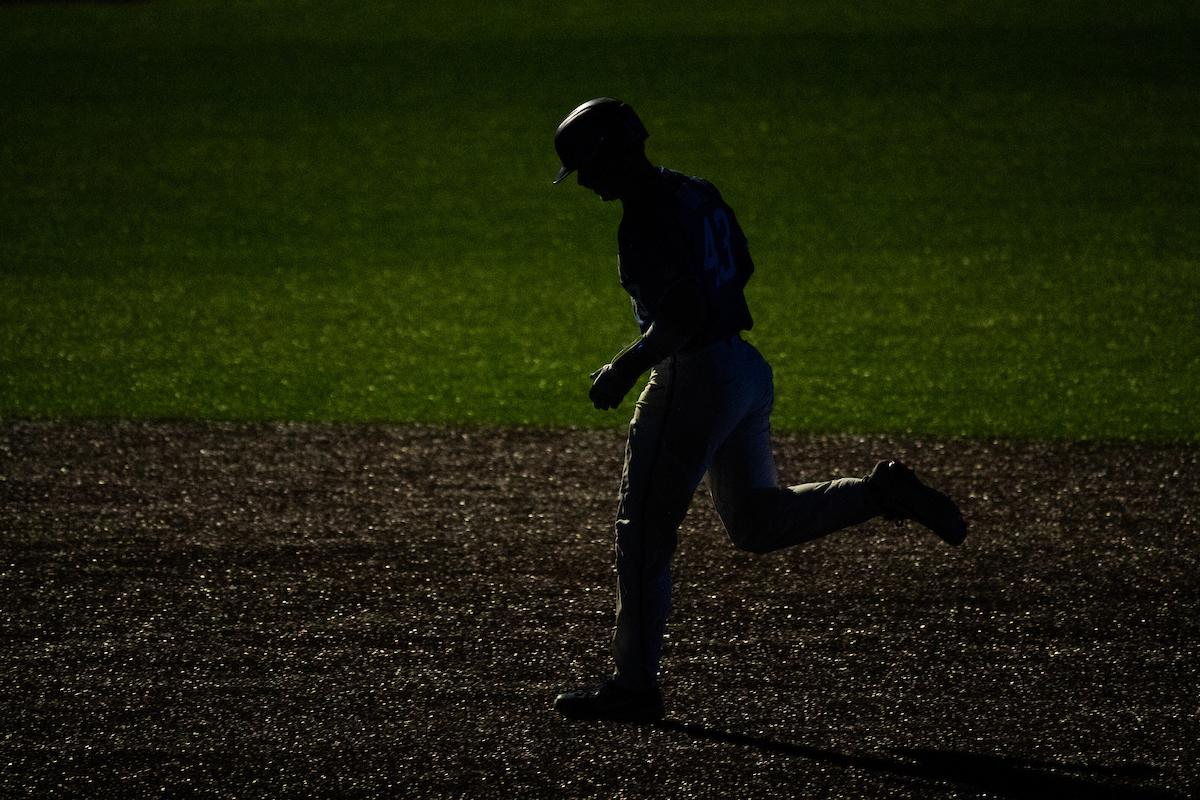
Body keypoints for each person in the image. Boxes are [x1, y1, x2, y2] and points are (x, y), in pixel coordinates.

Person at [550, 98, 968, 724]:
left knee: (643, 538)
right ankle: (876, 493)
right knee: (754, 522)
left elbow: (684, 315)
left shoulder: (644, 219)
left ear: (614, 151)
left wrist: (623, 369)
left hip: (692, 378)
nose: (583, 180)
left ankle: (634, 686)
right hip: (744, 370)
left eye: (586, 164)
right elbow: (740, 265)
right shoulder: (695, 191)